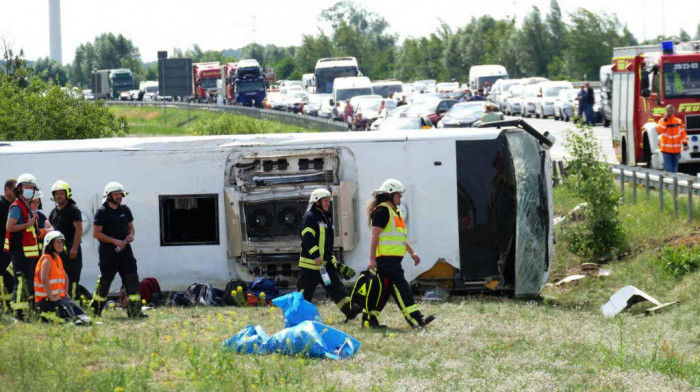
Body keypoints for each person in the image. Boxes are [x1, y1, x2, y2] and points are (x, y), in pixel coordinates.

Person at [367, 179, 435, 329]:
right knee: (402, 287)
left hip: (393, 261)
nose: (400, 198)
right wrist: (372, 259)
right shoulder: (382, 211)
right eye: (399, 195)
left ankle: (369, 320)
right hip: (386, 260)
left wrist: (412, 253)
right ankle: (417, 320)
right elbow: (374, 235)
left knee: (383, 292)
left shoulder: (394, 212)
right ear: (390, 195)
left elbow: (399, 238)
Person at [297, 189, 362, 321]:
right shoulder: (310, 217)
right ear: (317, 202)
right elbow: (307, 237)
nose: (328, 203)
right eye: (325, 201)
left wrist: (333, 261)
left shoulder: (325, 217)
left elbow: (326, 243)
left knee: (337, 288)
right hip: (310, 266)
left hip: (325, 265)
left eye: (328, 201)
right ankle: (297, 317)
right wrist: (316, 255)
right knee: (304, 294)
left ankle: (350, 310)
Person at [89, 182, 146, 318]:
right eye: (116, 194)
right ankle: (95, 311)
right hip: (109, 253)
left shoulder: (125, 210)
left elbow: (131, 227)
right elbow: (96, 234)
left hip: (126, 252)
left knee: (131, 278)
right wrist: (115, 241)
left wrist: (131, 235)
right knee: (105, 280)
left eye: (120, 194)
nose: (119, 197)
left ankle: (135, 312)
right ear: (108, 196)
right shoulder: (102, 212)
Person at [4, 173, 41, 321]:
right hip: (20, 251)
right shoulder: (17, 206)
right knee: (21, 282)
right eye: (26, 187)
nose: (29, 190)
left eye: (32, 188)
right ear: (19, 189)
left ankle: (26, 313)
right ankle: (19, 315)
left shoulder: (25, 206)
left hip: (28, 253)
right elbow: (10, 226)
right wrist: (29, 224)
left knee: (27, 281)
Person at [34, 230, 90, 325]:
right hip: (45, 301)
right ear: (50, 244)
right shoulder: (46, 259)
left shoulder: (57, 258)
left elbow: (65, 277)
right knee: (69, 320)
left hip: (58, 298)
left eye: (62, 242)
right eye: (58, 242)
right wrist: (51, 297)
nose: (61, 244)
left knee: (82, 316)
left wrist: (65, 293)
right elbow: (44, 279)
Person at [48, 180, 84, 299]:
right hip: (58, 252)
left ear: (67, 194)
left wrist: (74, 248)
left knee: (72, 279)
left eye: (61, 193)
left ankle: (75, 307)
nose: (59, 195)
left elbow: (79, 229)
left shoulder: (73, 209)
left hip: (70, 250)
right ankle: (63, 305)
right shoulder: (53, 212)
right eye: (56, 193)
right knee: (59, 278)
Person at [0, 178, 16, 312]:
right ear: (7, 189)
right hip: (1, 249)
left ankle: (9, 307)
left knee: (10, 277)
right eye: (14, 190)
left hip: (10, 248)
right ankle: (3, 307)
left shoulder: (15, 205)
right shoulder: (1, 204)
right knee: (2, 277)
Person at [657, 104, 688, 173]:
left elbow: (683, 134)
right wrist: (665, 120)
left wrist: (685, 144)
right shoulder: (662, 121)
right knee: (668, 168)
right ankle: (668, 183)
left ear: (674, 111)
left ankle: (673, 183)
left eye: (671, 111)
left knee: (674, 169)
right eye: (668, 111)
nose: (670, 113)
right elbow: (660, 130)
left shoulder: (678, 121)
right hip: (666, 150)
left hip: (676, 150)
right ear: (665, 112)